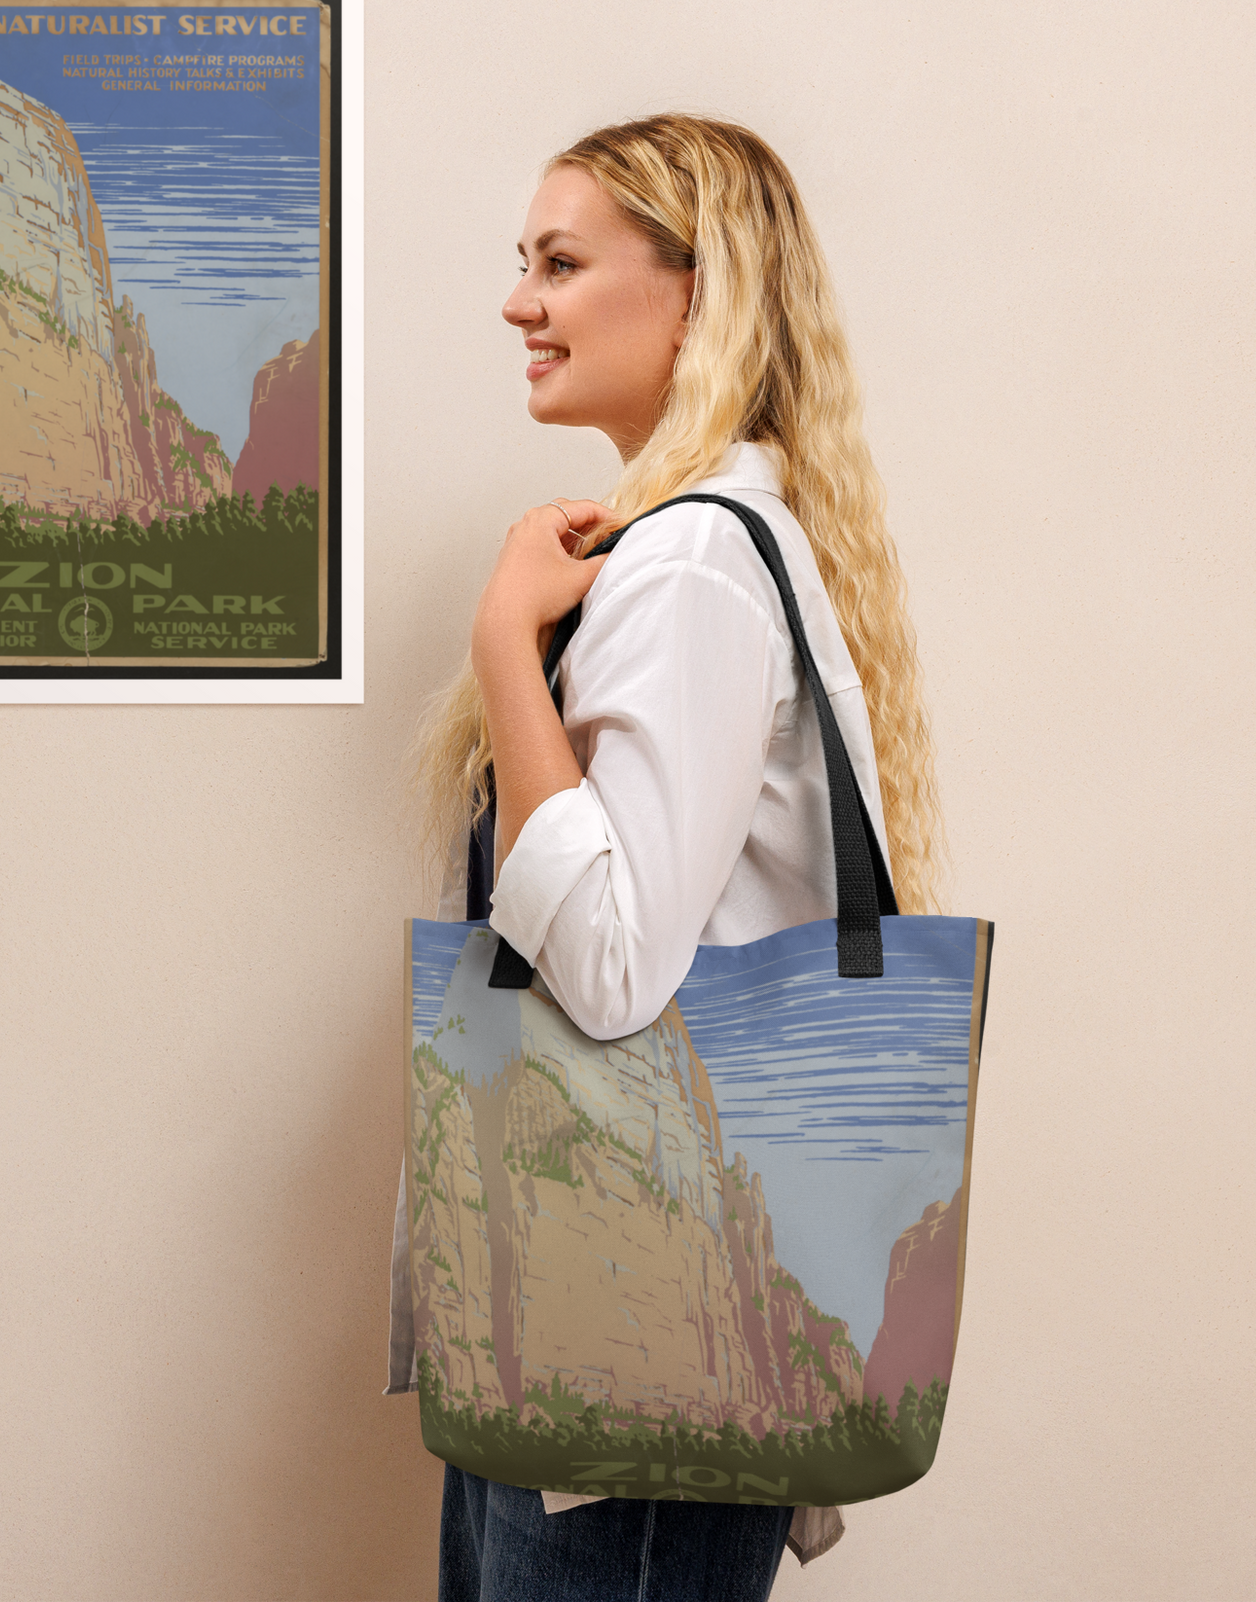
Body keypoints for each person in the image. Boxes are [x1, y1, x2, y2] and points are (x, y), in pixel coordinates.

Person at [390, 115, 945, 1601]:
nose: (519, 301)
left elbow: (615, 973)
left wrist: (506, 642)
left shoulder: (691, 558)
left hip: (638, 1337)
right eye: (523, 264)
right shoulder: (702, 539)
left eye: (560, 263)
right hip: (615, 1317)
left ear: (695, 293)